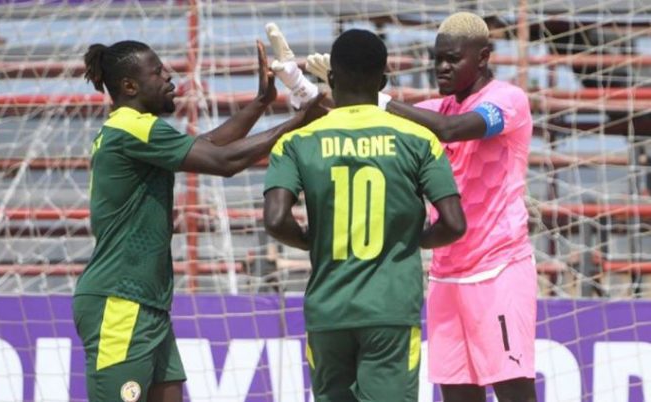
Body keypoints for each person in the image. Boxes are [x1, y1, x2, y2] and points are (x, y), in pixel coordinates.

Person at [268, 12, 537, 402]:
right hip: (445, 274)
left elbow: (451, 130)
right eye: (438, 58)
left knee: (514, 390)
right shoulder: (433, 109)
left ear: (483, 57)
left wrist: (373, 92)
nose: (442, 67)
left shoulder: (508, 100)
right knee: (458, 393)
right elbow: (352, 117)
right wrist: (300, 85)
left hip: (499, 268)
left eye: (453, 59)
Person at [72, 39, 323, 402]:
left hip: (148, 304)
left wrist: (260, 104)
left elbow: (209, 146)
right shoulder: (133, 127)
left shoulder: (133, 128)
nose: (169, 76)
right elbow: (224, 163)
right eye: (157, 71)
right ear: (129, 86)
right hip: (119, 302)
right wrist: (300, 120)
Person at [263, 29, 466, 402]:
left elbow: (275, 219)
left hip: (327, 310)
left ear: (332, 78)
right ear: (384, 80)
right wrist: (412, 237)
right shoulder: (419, 139)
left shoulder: (296, 142)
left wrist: (308, 239)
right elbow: (454, 223)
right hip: (390, 308)